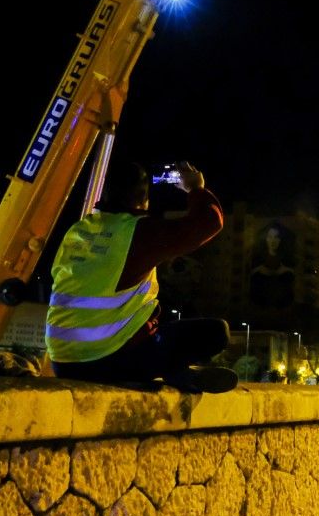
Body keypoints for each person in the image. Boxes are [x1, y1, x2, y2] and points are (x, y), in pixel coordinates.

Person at [44, 160, 237, 393]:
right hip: (109, 360)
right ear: (143, 198)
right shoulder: (138, 231)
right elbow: (209, 222)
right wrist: (196, 188)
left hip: (62, 363)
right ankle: (176, 371)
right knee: (216, 332)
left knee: (156, 330)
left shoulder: (79, 230)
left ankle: (177, 371)